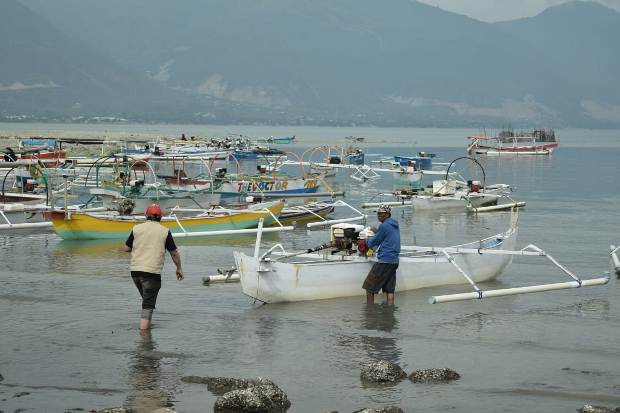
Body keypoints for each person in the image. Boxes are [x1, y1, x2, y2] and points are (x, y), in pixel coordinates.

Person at [123, 204, 184, 330]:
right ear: (160, 217)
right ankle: (145, 340)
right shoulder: (165, 232)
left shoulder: (136, 229)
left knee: (147, 302)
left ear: (146, 216)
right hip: (151, 274)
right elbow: (173, 253)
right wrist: (179, 268)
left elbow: (126, 248)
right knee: (148, 306)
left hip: (135, 273)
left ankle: (147, 330)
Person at [360, 204, 401, 305]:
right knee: (389, 290)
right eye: (378, 213)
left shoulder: (384, 226)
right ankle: (389, 312)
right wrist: (377, 231)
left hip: (384, 261)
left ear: (388, 214)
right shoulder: (394, 225)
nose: (379, 215)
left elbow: (372, 243)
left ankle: (370, 312)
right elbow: (387, 235)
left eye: (382, 213)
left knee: (369, 287)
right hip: (394, 261)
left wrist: (365, 240)